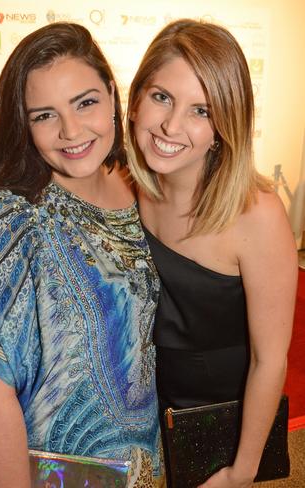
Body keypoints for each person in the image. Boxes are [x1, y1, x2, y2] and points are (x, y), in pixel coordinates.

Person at [0, 22, 164, 488]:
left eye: (85, 103)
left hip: (143, 460)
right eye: (44, 115)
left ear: (110, 93)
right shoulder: (9, 219)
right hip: (49, 475)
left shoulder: (136, 184)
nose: (70, 130)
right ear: (22, 123)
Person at [126, 18, 298, 488]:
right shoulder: (122, 186)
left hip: (220, 416)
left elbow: (270, 360)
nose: (170, 124)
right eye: (162, 97)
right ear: (137, 98)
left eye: (200, 110)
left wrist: (240, 471)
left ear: (225, 123)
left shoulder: (256, 214)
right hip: (145, 400)